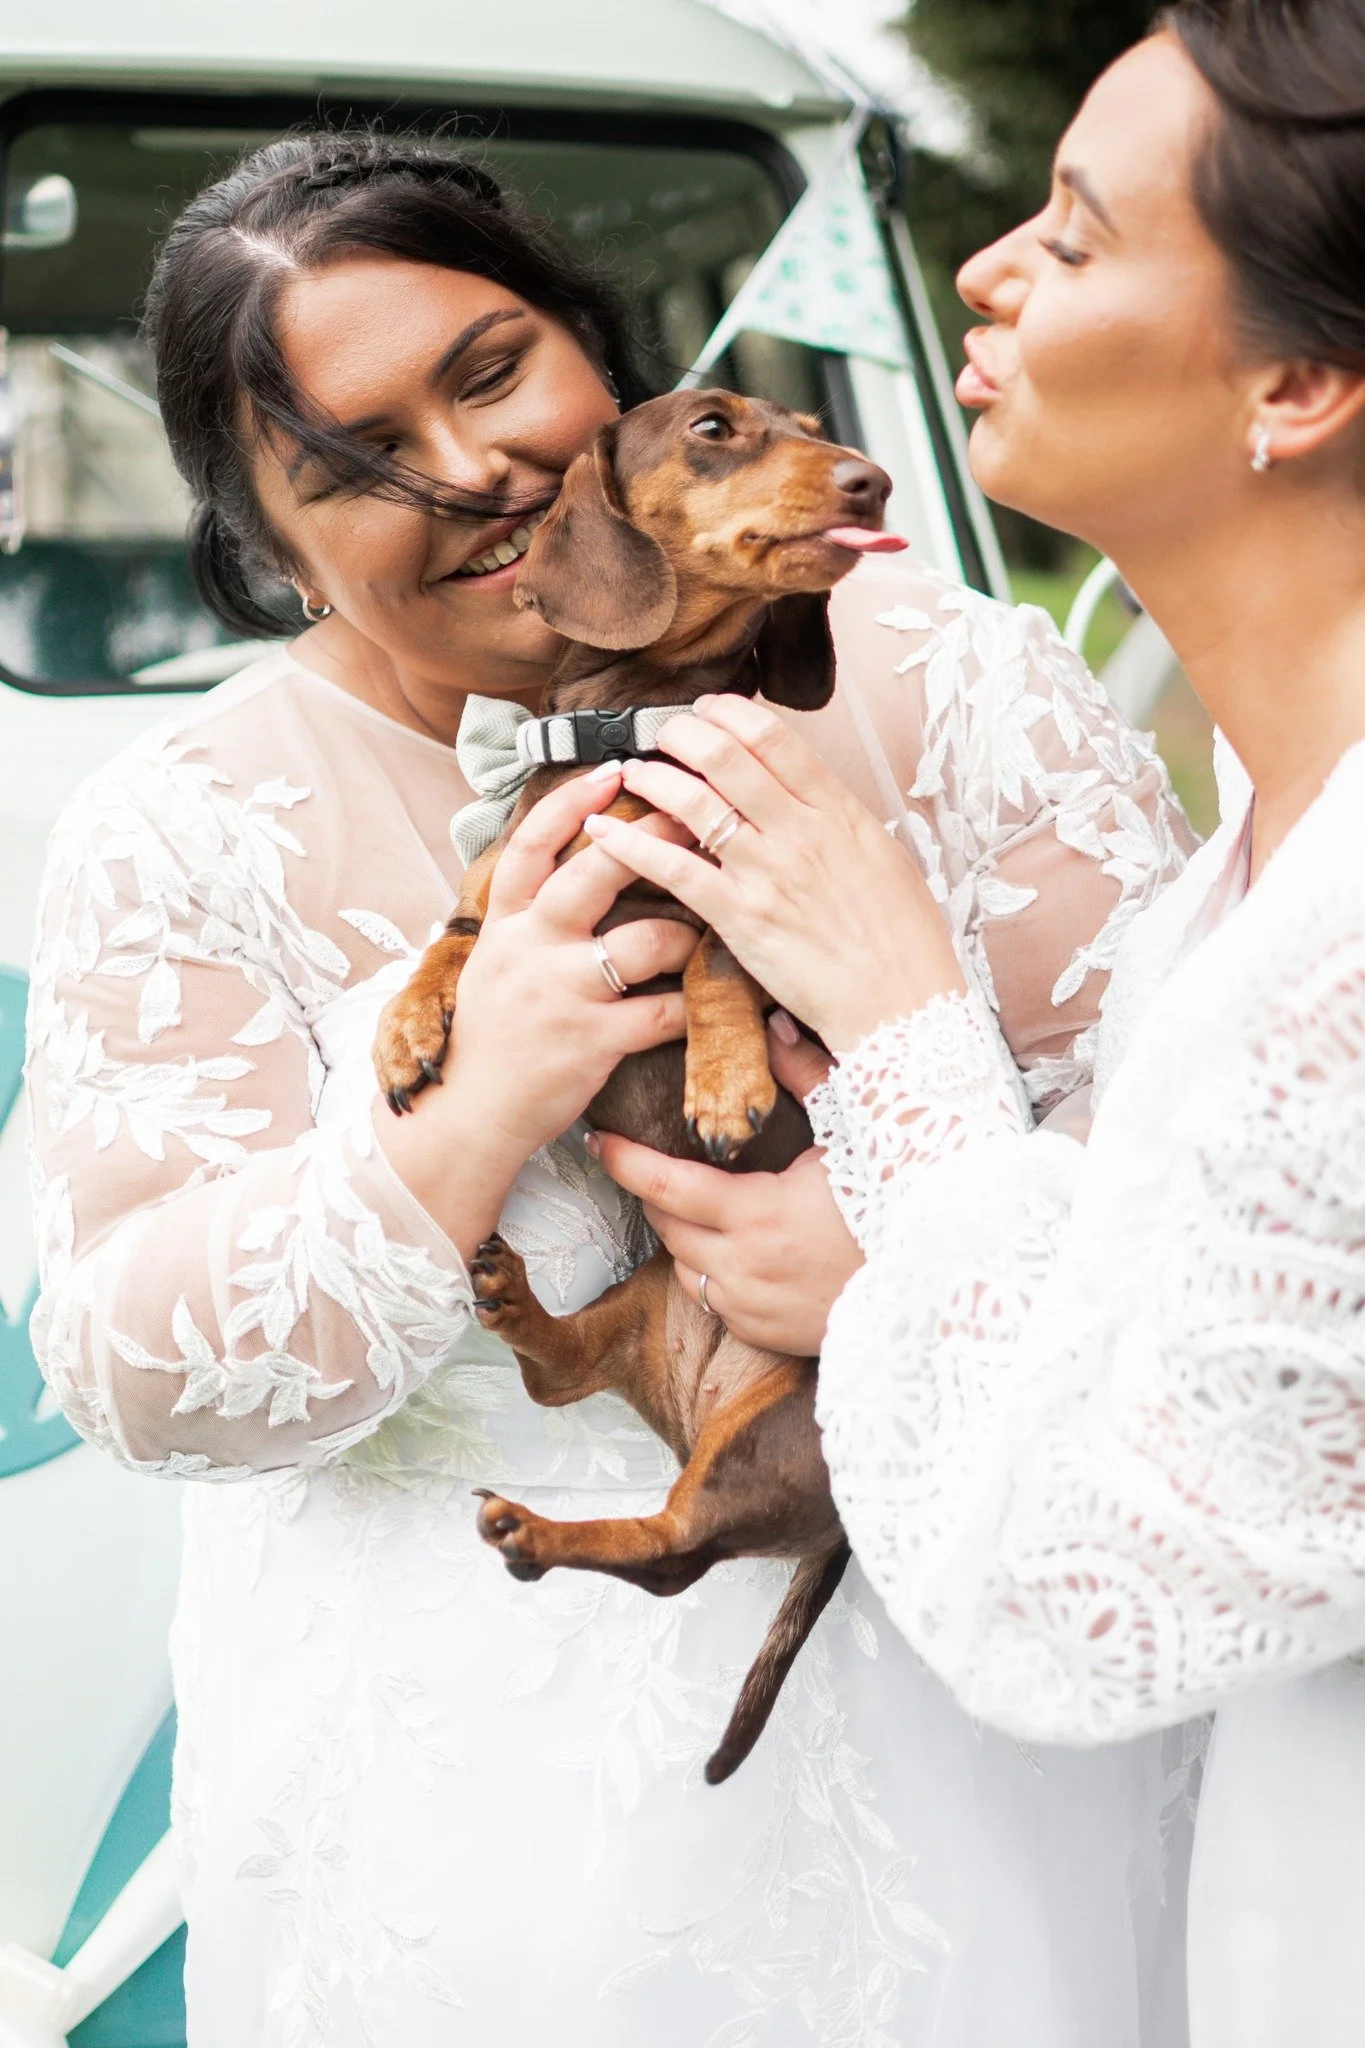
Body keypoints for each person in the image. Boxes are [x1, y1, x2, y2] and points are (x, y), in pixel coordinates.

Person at [26, 135, 1195, 2047]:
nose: (466, 468)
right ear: (265, 540)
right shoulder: (185, 830)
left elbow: (1210, 1151)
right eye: (345, 463)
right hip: (461, 1821)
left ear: (600, 348)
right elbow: (126, 1372)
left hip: (968, 1746)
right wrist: (468, 1113)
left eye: (493, 373)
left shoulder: (952, 678)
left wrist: (912, 1229)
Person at [580, 4, 1365, 2043]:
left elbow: (1079, 1595)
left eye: (1079, 237)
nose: (988, 268)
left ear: (1297, 381)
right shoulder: (1242, 868)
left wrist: (910, 1040)